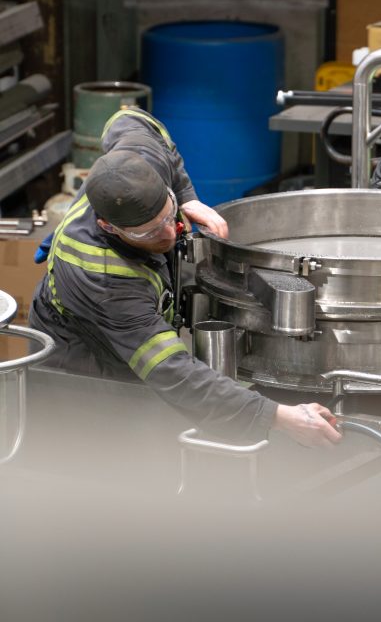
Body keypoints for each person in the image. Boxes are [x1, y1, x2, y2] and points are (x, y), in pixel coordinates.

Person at [29, 106, 341, 449]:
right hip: (81, 363)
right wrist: (275, 417)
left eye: (169, 214)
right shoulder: (104, 280)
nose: (170, 233)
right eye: (150, 234)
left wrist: (187, 198)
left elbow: (130, 118)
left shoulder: (141, 162)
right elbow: (171, 370)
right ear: (108, 227)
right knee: (103, 450)